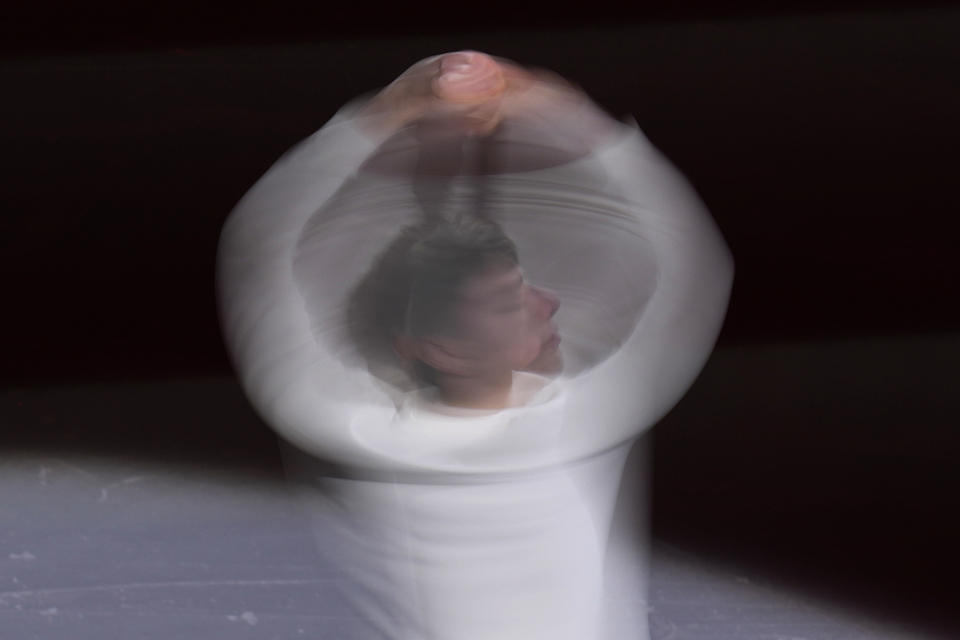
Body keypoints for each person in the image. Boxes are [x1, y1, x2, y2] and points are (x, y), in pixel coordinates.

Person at [217, 51, 733, 640]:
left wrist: (380, 120)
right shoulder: (582, 422)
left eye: (524, 287)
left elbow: (264, 246)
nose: (549, 302)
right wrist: (560, 111)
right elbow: (686, 254)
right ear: (440, 348)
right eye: (509, 302)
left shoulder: (353, 430)